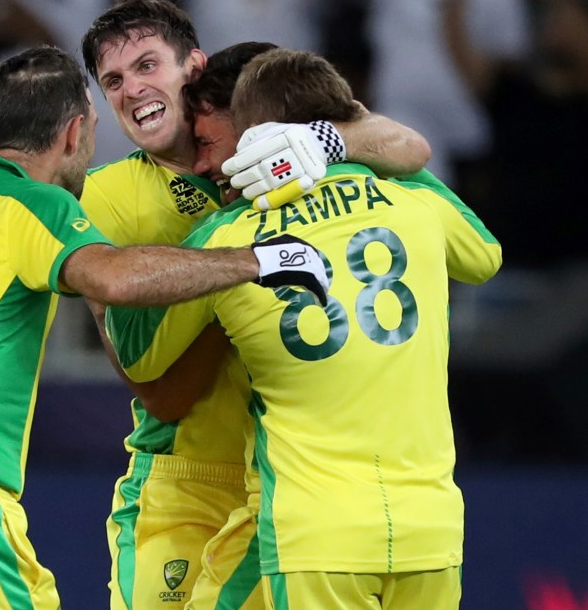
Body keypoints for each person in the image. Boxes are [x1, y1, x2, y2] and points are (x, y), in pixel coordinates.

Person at [0, 0, 432, 608]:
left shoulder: (286, 141)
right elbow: (157, 388)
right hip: (185, 486)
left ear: (196, 68)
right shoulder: (100, 199)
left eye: (147, 65)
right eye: (112, 80)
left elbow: (410, 149)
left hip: (309, 488)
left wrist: (330, 140)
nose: (130, 90)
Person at [105, 47, 503, 609]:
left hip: (315, 530)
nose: (205, 163)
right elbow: (484, 254)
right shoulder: (412, 206)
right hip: (430, 528)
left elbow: (139, 354)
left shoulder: (229, 237)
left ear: (258, 135)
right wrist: (354, 138)